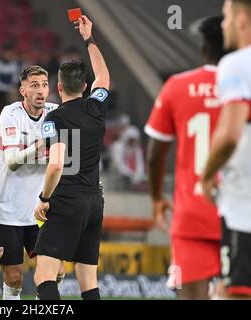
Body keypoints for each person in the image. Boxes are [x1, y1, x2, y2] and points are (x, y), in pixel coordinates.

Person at [145, 16, 226, 300]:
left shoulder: (177, 86)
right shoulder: (245, 87)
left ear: (203, 48)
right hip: (239, 211)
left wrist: (156, 197)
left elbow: (156, 155)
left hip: (192, 212)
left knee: (191, 296)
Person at [33, 15, 109, 300]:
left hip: (67, 199)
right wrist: (89, 39)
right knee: (88, 278)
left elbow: (56, 164)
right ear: (86, 87)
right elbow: (104, 75)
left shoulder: (55, 118)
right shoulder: (95, 109)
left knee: (44, 275)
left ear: (58, 87)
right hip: (94, 200)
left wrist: (43, 198)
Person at [0, 65, 64, 300]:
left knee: (56, 273)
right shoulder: (11, 113)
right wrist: (41, 146)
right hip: (6, 208)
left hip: (39, 209)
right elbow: (11, 161)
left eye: (44, 85)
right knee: (14, 278)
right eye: (34, 85)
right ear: (23, 90)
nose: (41, 91)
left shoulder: (56, 112)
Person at [201, 0, 251, 299]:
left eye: (228, 16)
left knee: (237, 291)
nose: (224, 24)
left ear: (242, 19)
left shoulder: (236, 63)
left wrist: (207, 175)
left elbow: (230, 134)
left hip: (243, 206)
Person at [111, 125, 146, 191]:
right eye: (131, 139)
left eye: (134, 140)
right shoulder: (118, 147)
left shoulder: (137, 149)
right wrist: (131, 174)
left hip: (134, 175)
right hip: (120, 174)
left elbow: (140, 163)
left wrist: (138, 174)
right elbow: (119, 165)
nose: (132, 142)